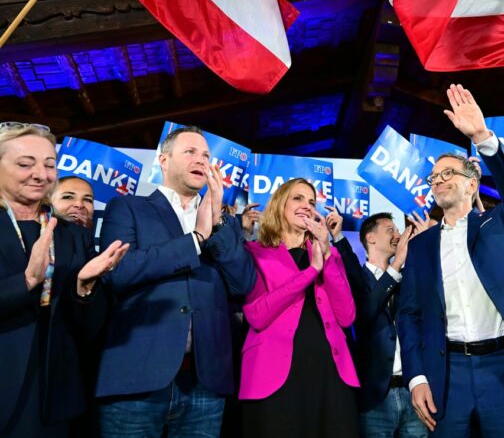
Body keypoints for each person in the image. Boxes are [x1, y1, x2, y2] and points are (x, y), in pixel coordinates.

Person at [398, 84, 504, 437]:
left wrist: (482, 137)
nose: (439, 180)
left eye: (449, 173)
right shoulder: (421, 245)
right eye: (434, 177)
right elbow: (410, 315)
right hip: (447, 372)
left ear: (472, 184)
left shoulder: (496, 224)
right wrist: (416, 377)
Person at [96, 125, 256, 438]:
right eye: (191, 152)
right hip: (137, 380)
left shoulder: (225, 223)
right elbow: (119, 272)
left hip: (205, 384)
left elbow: (242, 285)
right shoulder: (129, 207)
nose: (202, 160)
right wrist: (194, 241)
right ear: (164, 160)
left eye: (207, 156)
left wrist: (219, 220)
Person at [0, 123, 127, 437]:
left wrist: (85, 288)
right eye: (25, 164)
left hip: (57, 394)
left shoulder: (70, 235)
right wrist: (27, 281)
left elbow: (90, 325)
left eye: (49, 165)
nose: (41, 175)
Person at [239, 178, 359, 437]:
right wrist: (310, 272)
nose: (307, 205)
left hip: (329, 376)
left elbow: (347, 316)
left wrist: (326, 255)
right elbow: (257, 315)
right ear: (280, 205)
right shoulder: (254, 252)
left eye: (312, 202)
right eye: (298, 198)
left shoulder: (328, 254)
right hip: (273, 378)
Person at [332, 210, 426, 438]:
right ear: (371, 238)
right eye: (390, 230)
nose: (398, 235)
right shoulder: (356, 278)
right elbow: (364, 314)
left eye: (397, 229)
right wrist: (397, 265)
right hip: (374, 398)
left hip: (413, 392)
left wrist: (424, 246)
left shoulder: (409, 278)